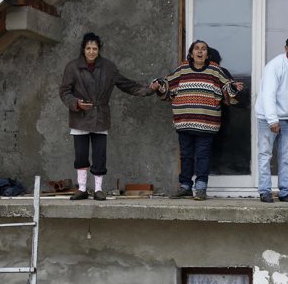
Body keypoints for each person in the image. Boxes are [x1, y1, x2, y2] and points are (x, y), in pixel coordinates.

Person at [59, 32, 157, 201]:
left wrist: (149, 89)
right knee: (81, 155)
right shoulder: (72, 67)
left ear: (99, 50)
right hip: (80, 116)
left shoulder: (108, 67)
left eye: (94, 48)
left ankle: (98, 189)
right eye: (88, 48)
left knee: (99, 154)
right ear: (83, 49)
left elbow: (127, 85)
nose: (91, 51)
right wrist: (76, 103)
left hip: (100, 116)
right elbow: (64, 91)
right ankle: (82, 188)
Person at [155, 40, 242, 200]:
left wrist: (234, 88)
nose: (200, 51)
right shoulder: (182, 69)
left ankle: (201, 188)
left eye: (203, 49)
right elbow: (168, 83)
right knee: (186, 155)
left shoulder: (215, 70)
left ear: (207, 54)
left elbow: (227, 87)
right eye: (197, 49)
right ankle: (185, 186)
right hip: (184, 122)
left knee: (203, 155)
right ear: (191, 53)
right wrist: (158, 85)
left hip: (207, 124)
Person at [255, 34, 288, 203]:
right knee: (265, 154)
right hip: (267, 117)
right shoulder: (275, 66)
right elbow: (268, 94)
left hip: (286, 118)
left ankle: (285, 192)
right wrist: (272, 120)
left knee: (285, 157)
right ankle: (264, 191)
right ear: (286, 48)